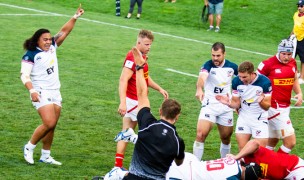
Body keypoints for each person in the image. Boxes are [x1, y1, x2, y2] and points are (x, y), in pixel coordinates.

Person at [20, 5, 84, 165]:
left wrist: (75, 16)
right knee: (48, 122)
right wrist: (32, 91)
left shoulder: (52, 47)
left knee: (52, 125)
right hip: (40, 91)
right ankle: (29, 147)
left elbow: (64, 31)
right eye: (45, 39)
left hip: (55, 91)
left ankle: (45, 155)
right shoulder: (31, 55)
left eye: (50, 39)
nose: (49, 41)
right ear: (37, 41)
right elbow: (24, 76)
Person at [118, 47, 185, 179]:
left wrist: (139, 68)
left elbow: (142, 94)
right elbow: (179, 162)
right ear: (177, 116)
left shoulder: (147, 124)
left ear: (160, 111)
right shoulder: (178, 142)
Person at [115, 29, 168, 168]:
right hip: (135, 102)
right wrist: (123, 102)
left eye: (150, 44)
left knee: (127, 132)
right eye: (146, 44)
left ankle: (118, 166)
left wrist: (159, 88)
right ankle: (145, 164)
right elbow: (123, 80)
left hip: (137, 101)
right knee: (147, 134)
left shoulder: (141, 56)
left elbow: (145, 77)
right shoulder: (132, 57)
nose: (149, 47)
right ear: (138, 43)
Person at [193, 42, 238, 161]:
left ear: (224, 54)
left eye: (218, 55)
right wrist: (199, 88)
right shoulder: (208, 65)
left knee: (226, 137)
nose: (215, 58)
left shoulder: (232, 67)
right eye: (213, 55)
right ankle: (195, 165)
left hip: (226, 106)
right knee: (200, 134)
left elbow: (244, 79)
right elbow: (202, 77)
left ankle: (225, 165)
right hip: (210, 105)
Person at [257, 38, 303, 154]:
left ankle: (265, 163)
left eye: (289, 54)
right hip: (273, 108)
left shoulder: (292, 62)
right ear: (278, 52)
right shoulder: (267, 64)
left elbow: (294, 78)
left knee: (273, 139)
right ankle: (277, 162)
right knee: (290, 142)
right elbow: (254, 82)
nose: (286, 57)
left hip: (285, 107)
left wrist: (299, 93)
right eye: (284, 54)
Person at [216, 61, 272, 151]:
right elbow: (236, 103)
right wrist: (228, 103)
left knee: (260, 151)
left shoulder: (264, 82)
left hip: (259, 119)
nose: (242, 79)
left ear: (252, 73)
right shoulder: (236, 82)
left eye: (244, 77)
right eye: (240, 76)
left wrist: (260, 102)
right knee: (243, 149)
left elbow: (267, 107)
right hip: (244, 118)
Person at [102, 152, 262, 180]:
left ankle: (123, 174)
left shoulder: (233, 160)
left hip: (190, 161)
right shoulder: (233, 177)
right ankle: (121, 174)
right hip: (187, 174)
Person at [226, 139, 304, 179]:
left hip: (294, 168)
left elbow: (254, 143)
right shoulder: (250, 173)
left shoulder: (248, 155)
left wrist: (237, 156)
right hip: (283, 176)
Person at [291, 0, 304, 84]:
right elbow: (295, 26)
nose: (299, 8)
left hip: (302, 39)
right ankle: (297, 72)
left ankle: (302, 78)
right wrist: (291, 35)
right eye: (298, 6)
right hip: (295, 39)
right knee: (292, 57)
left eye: (301, 6)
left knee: (303, 59)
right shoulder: (296, 14)